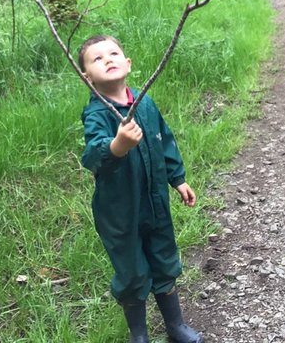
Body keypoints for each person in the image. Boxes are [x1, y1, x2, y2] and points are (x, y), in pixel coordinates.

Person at [79, 35, 203, 343]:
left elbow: (166, 140)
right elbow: (93, 156)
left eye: (113, 53)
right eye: (97, 59)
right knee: (132, 270)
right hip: (120, 212)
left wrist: (178, 179)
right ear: (87, 77)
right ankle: (139, 333)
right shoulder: (98, 114)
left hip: (155, 202)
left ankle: (175, 326)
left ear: (128, 63)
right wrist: (116, 146)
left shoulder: (144, 104)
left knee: (163, 258)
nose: (107, 59)